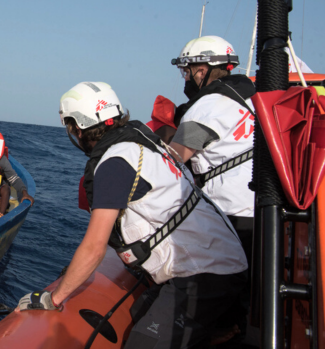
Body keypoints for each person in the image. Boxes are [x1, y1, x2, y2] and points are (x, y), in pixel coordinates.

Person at [17, 82, 248, 348]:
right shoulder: (144, 144)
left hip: (206, 271)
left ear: (77, 128)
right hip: (221, 259)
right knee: (139, 313)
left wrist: (53, 298)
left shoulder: (115, 163)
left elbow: (94, 247)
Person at [168, 36, 255, 267]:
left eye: (187, 72)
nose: (186, 78)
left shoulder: (206, 108)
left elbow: (172, 161)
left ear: (202, 70)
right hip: (260, 211)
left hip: (229, 214)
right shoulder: (251, 100)